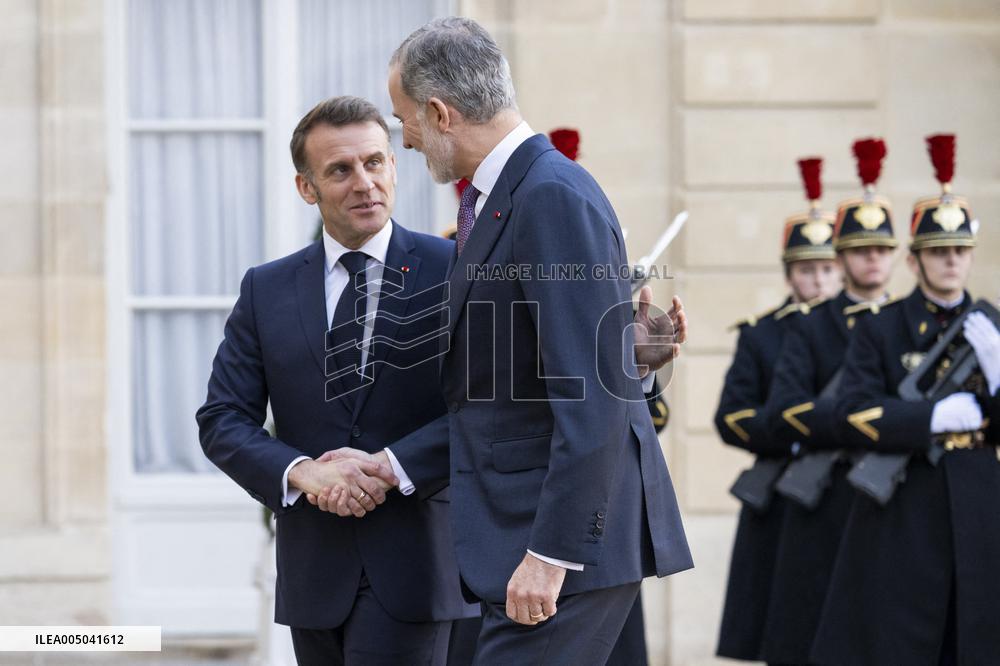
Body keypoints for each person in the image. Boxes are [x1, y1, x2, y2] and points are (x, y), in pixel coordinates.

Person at [318, 16, 693, 665]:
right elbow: (503, 395)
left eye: (405, 119)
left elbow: (593, 398)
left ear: (440, 113)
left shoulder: (548, 195)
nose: (407, 139)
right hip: (524, 544)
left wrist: (552, 555)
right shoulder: (509, 196)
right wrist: (392, 465)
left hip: (554, 558)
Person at [197, 96, 481, 666]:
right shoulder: (265, 289)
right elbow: (222, 419)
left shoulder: (456, 270)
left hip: (418, 566)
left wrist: (390, 467)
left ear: (394, 166)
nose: (364, 183)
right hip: (313, 575)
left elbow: (486, 407)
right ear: (307, 188)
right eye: (340, 170)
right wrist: (305, 473)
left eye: (374, 162)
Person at [812, 133, 1000, 665]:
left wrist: (998, 381)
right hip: (909, 500)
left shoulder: (991, 325)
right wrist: (931, 417)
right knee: (903, 640)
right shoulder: (883, 327)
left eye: (959, 251)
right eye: (938, 252)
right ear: (915, 262)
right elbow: (851, 413)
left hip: (980, 497)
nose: (951, 261)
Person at [759, 138, 897, 665]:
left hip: (897, 494)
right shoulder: (812, 325)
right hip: (829, 493)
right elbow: (784, 410)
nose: (872, 259)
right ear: (843, 259)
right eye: (861, 250)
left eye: (881, 250)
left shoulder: (907, 321)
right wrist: (875, 422)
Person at [715, 157, 843, 663]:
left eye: (828, 269)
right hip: (785, 489)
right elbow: (732, 417)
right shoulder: (763, 334)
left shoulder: (865, 331)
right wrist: (794, 429)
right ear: (790, 275)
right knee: (786, 629)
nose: (819, 281)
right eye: (808, 270)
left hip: (846, 489)